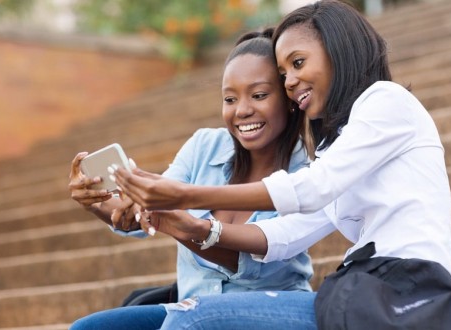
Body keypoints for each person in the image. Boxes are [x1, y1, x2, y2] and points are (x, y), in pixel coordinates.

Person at [112, 1, 451, 329]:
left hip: (405, 290)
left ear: (338, 50)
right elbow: (284, 236)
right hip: (356, 288)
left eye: (298, 63)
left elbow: (313, 187)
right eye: (284, 73)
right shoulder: (339, 146)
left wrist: (183, 194)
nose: (290, 81)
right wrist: (193, 225)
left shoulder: (387, 101)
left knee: (195, 319)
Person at [68, 28, 315, 330]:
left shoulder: (306, 177)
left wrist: (184, 227)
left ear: (288, 98)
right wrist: (96, 200)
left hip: (266, 313)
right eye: (229, 98)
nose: (242, 110)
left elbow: (258, 269)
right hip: (190, 308)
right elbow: (143, 214)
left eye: (259, 95)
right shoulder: (204, 146)